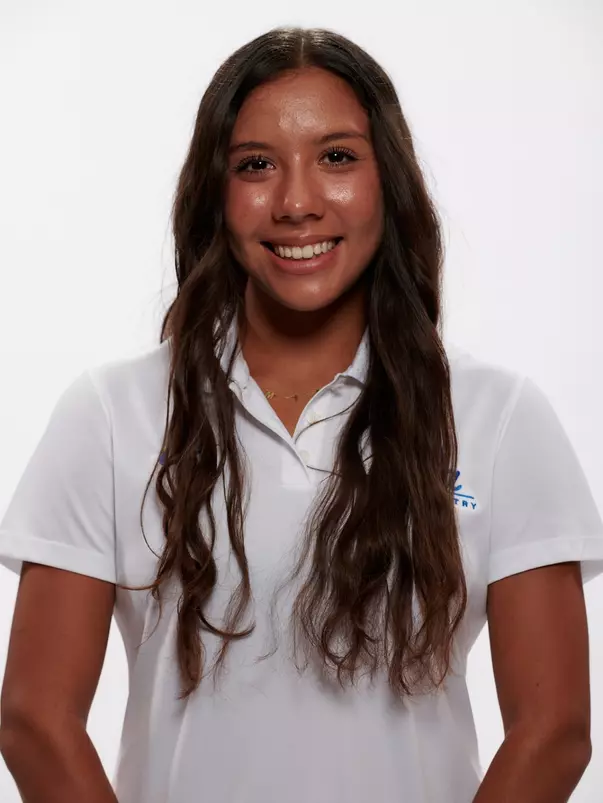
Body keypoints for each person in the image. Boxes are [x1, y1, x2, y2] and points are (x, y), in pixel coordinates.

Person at [0, 25, 602, 803]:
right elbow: (35, 720)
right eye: (255, 165)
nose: (296, 202)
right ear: (216, 194)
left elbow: (553, 729)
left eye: (337, 157)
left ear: (389, 181)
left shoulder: (498, 416)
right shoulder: (112, 414)